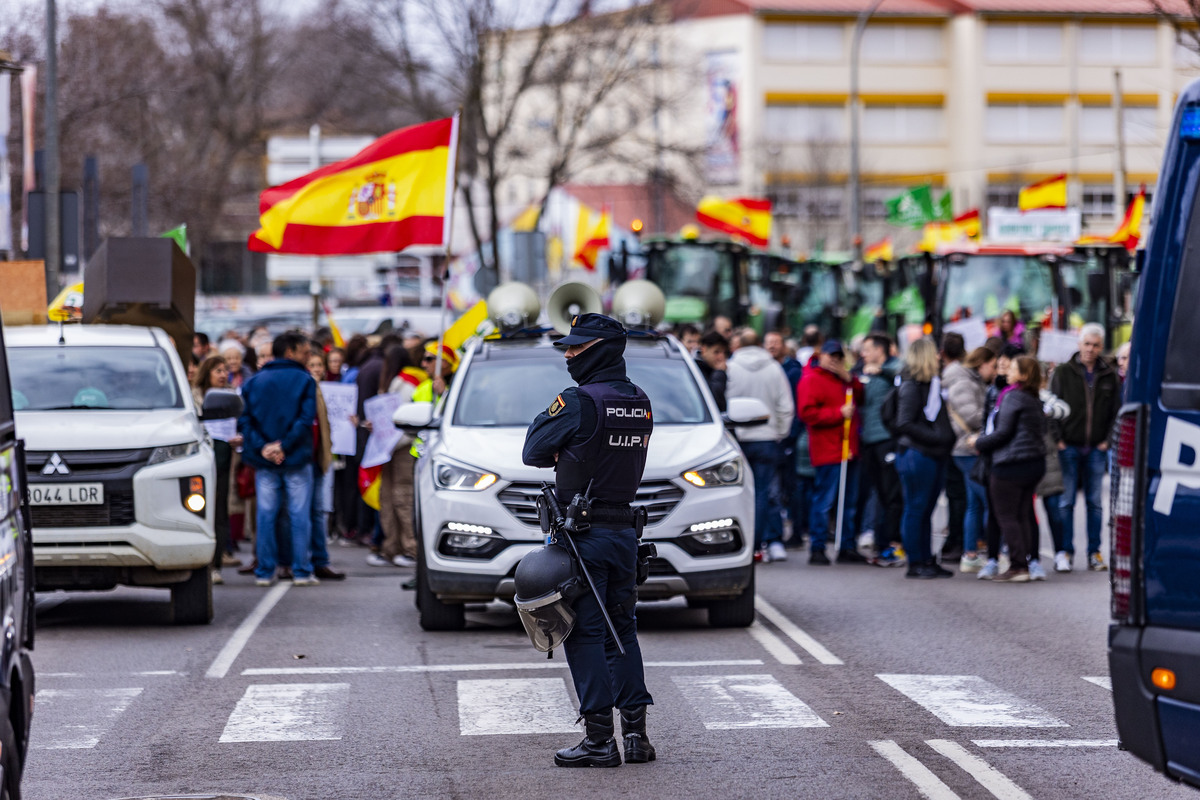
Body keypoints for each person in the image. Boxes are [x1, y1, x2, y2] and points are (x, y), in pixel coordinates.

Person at [522, 313, 655, 769]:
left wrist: (565, 448)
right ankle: (636, 737)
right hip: (624, 535)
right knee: (624, 631)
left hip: (584, 537)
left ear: (600, 350)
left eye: (577, 348)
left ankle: (599, 741)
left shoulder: (578, 402)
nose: (568, 354)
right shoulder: (639, 401)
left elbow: (533, 449)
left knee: (586, 636)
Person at [238, 332, 320, 587]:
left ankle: (265, 570)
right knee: (299, 516)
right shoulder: (305, 381)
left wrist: (264, 447)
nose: (309, 356)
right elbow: (306, 420)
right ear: (291, 351)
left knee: (265, 515)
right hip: (295, 457)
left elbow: (245, 420)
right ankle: (301, 570)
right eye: (305, 352)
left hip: (265, 460)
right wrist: (284, 446)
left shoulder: (254, 382)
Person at [970, 356, 1047, 583]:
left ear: (1023, 375)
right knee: (1022, 514)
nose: (1007, 371)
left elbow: (1003, 432)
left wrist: (978, 442)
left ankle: (1017, 565)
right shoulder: (1033, 398)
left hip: (1011, 464)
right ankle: (1023, 562)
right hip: (1033, 462)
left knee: (1006, 515)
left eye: (1013, 368)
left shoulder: (1013, 396)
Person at [1050, 323, 1120, 571]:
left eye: (1095, 345)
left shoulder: (1109, 375)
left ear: (1101, 347)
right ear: (1079, 344)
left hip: (1096, 448)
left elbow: (1116, 412)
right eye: (1087, 344)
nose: (1090, 349)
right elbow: (1051, 406)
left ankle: (1094, 552)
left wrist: (1107, 441)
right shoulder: (1063, 372)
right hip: (1068, 445)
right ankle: (1066, 552)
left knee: (1095, 503)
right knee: (1066, 502)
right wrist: (1058, 438)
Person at [727, 330, 795, 562]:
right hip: (766, 438)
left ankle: (744, 543)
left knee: (739, 492)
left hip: (737, 439)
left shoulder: (731, 367)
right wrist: (779, 432)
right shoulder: (774, 368)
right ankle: (768, 542)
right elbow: (785, 406)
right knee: (767, 492)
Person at [797, 339, 866, 565]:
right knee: (824, 500)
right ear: (822, 356)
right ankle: (817, 547)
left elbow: (861, 397)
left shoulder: (844, 379)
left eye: (838, 357)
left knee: (849, 501)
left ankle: (846, 545)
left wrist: (850, 380)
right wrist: (838, 413)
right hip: (828, 449)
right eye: (831, 356)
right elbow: (807, 414)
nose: (835, 361)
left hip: (848, 448)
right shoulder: (811, 379)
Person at [893, 338, 956, 579]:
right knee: (916, 508)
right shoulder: (911, 385)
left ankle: (926, 558)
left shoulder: (931, 384)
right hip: (918, 454)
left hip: (930, 453)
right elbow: (904, 422)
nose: (939, 357)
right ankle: (915, 561)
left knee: (925, 509)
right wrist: (935, 437)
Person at [368, 343, 426, 568]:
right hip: (391, 449)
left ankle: (408, 548)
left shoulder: (405, 383)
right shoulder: (405, 381)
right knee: (389, 498)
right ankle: (392, 547)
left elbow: (402, 420)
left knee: (401, 498)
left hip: (401, 448)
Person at [193, 354, 244, 584]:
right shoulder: (193, 396)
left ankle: (216, 564)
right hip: (197, 463)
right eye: (218, 371)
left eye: (225, 370)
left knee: (219, 511)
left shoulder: (234, 396)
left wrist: (240, 437)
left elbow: (243, 423)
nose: (223, 375)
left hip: (224, 462)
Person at [853, 334, 904, 566]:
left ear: (880, 350)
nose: (863, 354)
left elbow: (904, 376)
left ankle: (893, 544)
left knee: (891, 494)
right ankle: (880, 541)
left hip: (886, 439)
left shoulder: (894, 368)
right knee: (878, 495)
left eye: (867, 349)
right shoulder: (860, 370)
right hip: (868, 441)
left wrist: (881, 372)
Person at [946, 347, 997, 573]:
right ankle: (993, 553)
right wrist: (997, 414)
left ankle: (971, 554)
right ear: (981, 363)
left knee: (974, 504)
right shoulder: (964, 383)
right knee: (988, 501)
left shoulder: (970, 381)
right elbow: (973, 416)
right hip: (966, 448)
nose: (994, 371)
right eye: (993, 366)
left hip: (967, 448)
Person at [306, 348, 345, 581]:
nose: (317, 369)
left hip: (321, 457)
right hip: (307, 459)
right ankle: (305, 561)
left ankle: (320, 561)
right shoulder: (307, 388)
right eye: (312, 365)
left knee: (319, 511)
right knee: (304, 512)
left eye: (319, 365)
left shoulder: (326, 388)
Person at [938, 333, 969, 562]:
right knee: (959, 496)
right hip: (958, 444)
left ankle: (958, 542)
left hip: (958, 445)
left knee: (959, 497)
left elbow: (968, 413)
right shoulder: (960, 374)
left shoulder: (952, 377)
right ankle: (958, 540)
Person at [695, 330, 729, 412]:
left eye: (724, 353)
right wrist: (720, 373)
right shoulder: (696, 371)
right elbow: (714, 401)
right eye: (716, 352)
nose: (721, 357)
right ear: (704, 350)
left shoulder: (712, 370)